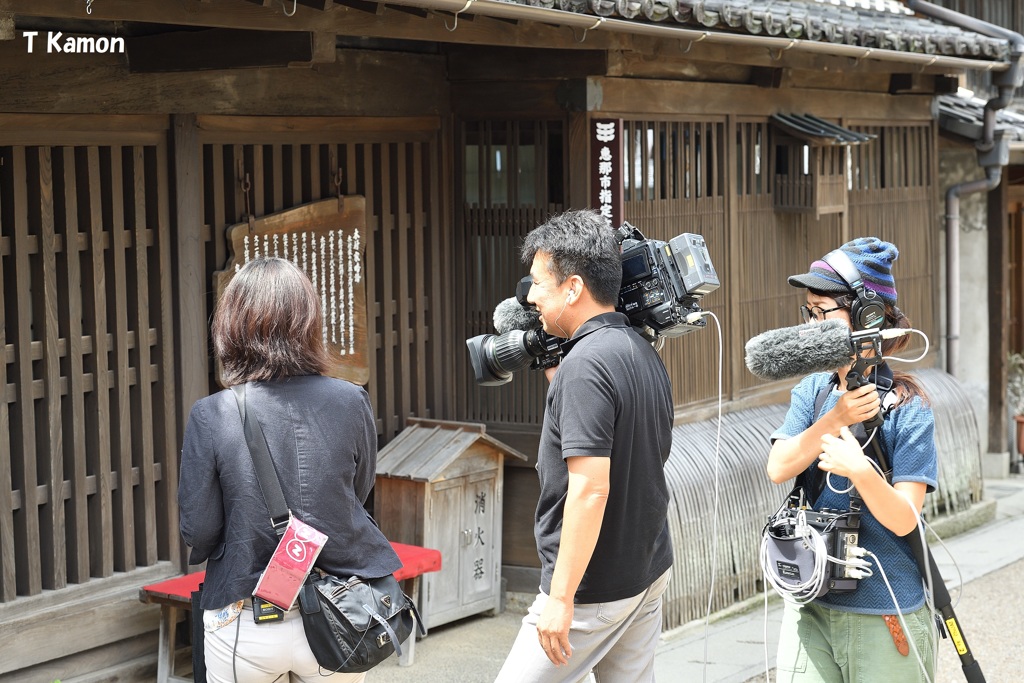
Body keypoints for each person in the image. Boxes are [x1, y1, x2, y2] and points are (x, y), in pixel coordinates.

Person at [178, 257, 401, 683]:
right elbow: (358, 492)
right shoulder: (352, 401)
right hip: (339, 615)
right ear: (308, 322)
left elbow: (199, 530)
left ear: (231, 326)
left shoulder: (212, 414)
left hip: (246, 617)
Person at [495, 209, 674, 683]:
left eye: (538, 283)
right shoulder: (638, 349)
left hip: (594, 588)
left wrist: (560, 597)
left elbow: (590, 490)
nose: (530, 296)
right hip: (647, 568)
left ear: (572, 288)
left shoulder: (586, 366)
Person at [766, 237, 938, 682]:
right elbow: (778, 467)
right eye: (809, 312)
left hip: (884, 609)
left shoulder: (907, 406)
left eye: (822, 312)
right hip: (810, 604)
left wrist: (860, 469)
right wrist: (836, 418)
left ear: (868, 315)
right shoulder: (814, 390)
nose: (811, 325)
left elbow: (904, 519)